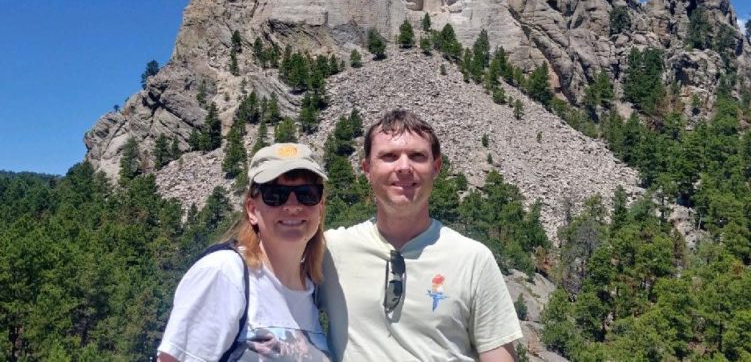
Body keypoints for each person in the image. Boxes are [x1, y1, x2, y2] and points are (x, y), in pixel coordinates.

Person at [320, 110, 522, 361]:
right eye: (389, 156)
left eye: (417, 156)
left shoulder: (473, 260)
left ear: (436, 168)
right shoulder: (331, 251)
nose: (404, 167)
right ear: (367, 169)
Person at [158, 143, 332, 361]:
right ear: (252, 210)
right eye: (275, 195)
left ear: (321, 206)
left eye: (307, 194)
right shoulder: (224, 272)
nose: (292, 205)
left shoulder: (313, 288)